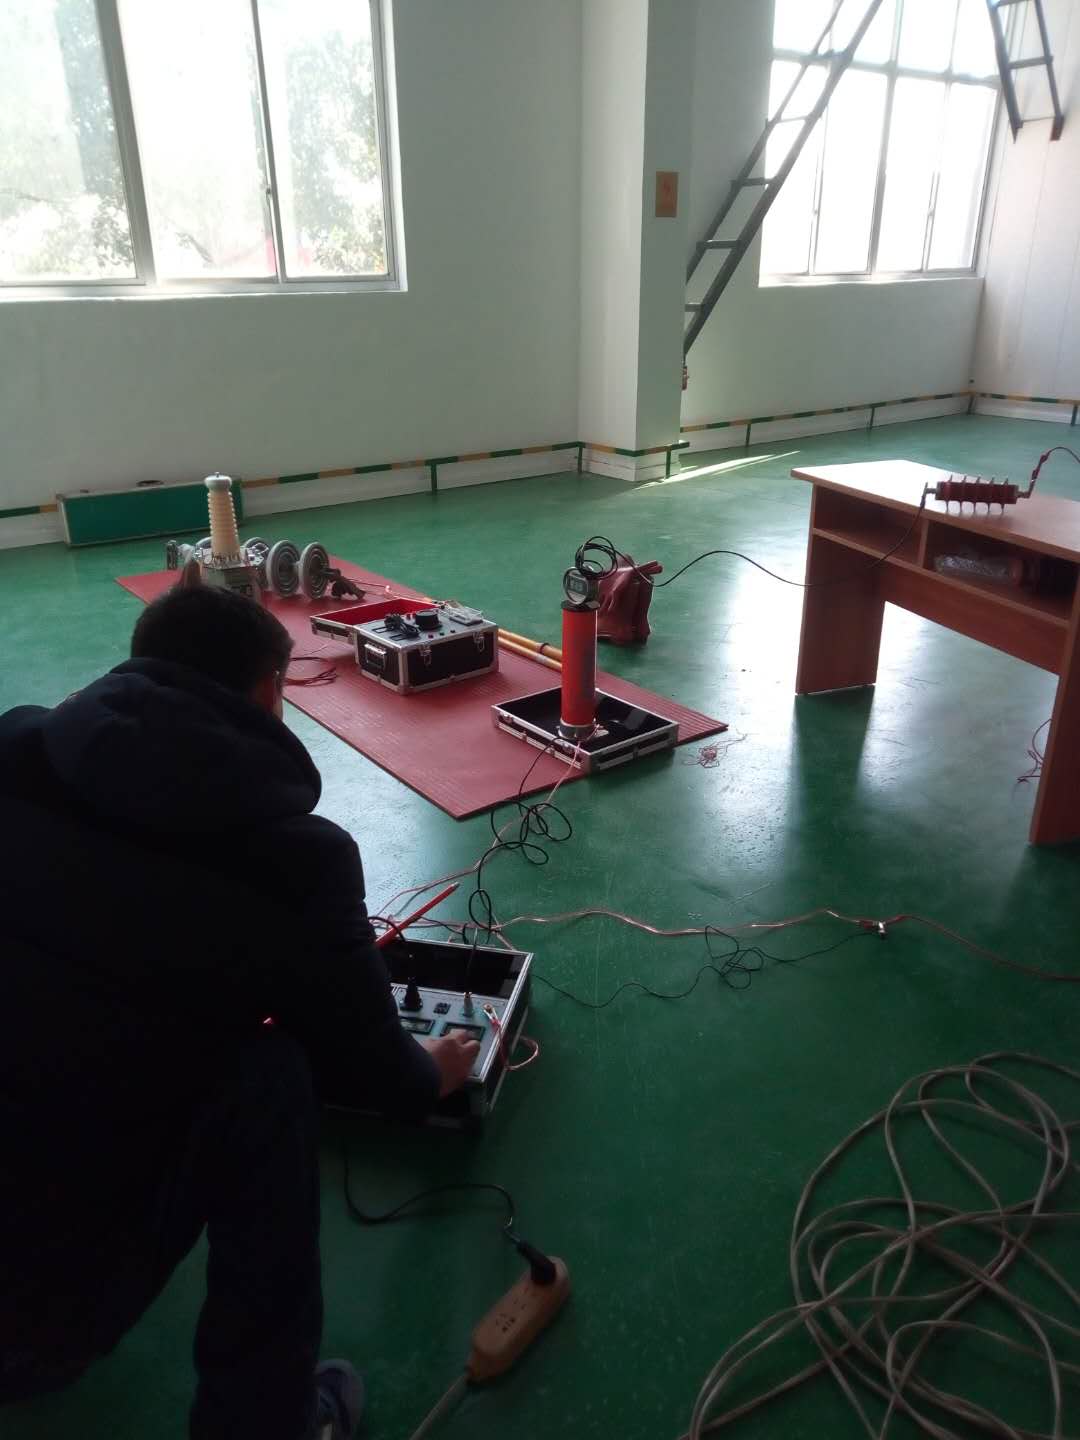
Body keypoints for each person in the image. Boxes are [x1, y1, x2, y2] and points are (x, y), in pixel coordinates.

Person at [0, 581, 480, 1440]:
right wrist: (430, 1073)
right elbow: (376, 1074)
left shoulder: (13, 749)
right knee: (269, 1077)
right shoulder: (298, 861)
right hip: (32, 1335)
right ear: (268, 692)